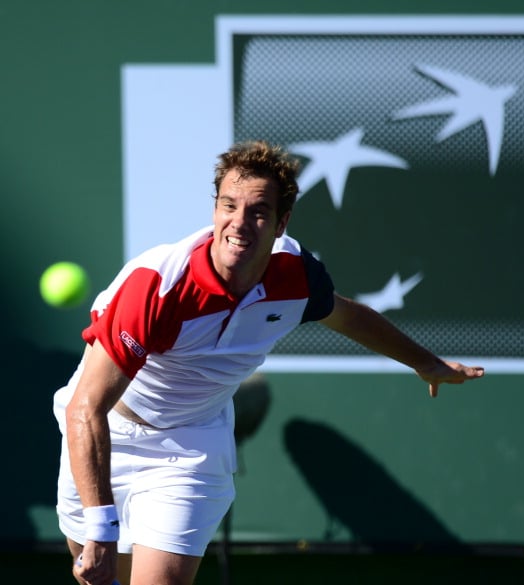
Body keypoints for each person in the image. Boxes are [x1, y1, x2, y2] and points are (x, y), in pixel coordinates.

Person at [53, 140, 484, 585]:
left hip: (191, 446)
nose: (239, 224)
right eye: (228, 205)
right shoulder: (159, 286)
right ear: (215, 209)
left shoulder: (296, 277)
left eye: (258, 211)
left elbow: (349, 316)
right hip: (107, 432)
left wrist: (424, 362)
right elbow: (86, 407)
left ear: (282, 222)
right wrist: (100, 528)